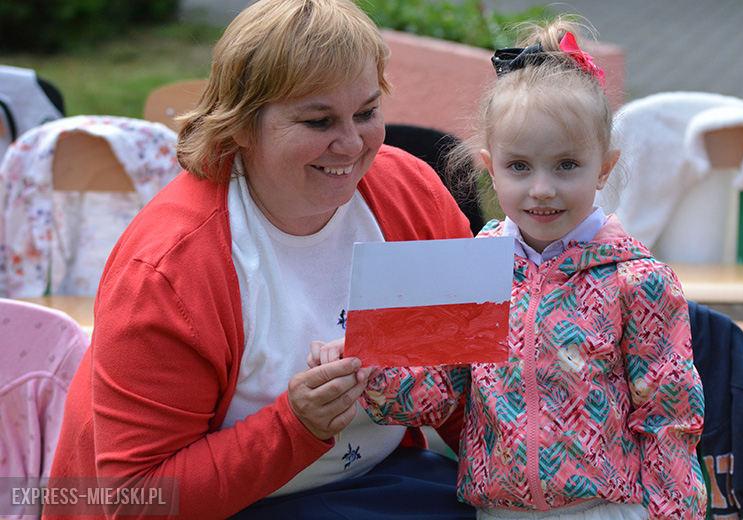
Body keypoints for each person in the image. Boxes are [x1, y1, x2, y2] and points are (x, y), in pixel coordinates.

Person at [42, 1, 476, 518]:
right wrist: (295, 426)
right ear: (241, 125)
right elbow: (136, 498)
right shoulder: (172, 269)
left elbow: (471, 380)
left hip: (376, 482)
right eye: (318, 121)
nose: (351, 144)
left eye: (366, 113)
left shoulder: (411, 194)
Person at [311, 17, 707, 520]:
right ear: (490, 168)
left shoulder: (637, 280)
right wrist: (367, 365)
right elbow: (437, 394)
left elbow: (669, 413)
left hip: (608, 508)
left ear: (604, 167)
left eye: (566, 165)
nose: (542, 188)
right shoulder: (476, 266)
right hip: (499, 511)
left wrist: (673, 512)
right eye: (519, 166)